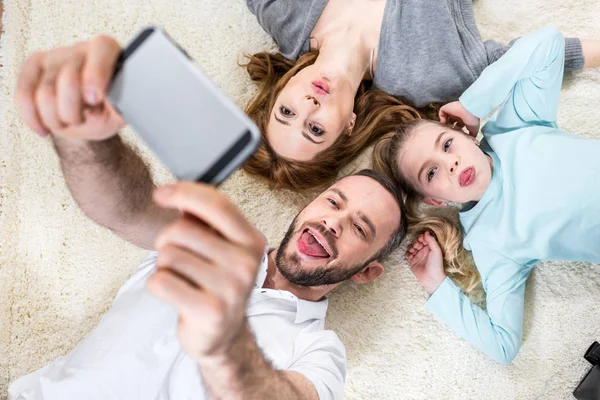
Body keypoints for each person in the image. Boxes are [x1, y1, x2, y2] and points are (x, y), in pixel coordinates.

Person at [10, 38, 408, 399]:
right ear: (307, 206)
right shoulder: (217, 233)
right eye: (334, 202)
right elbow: (126, 210)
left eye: (360, 227)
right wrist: (83, 136)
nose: (332, 223)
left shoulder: (320, 351)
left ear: (367, 272)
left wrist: (226, 343)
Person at [372, 27, 600, 365]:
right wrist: (436, 283)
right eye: (431, 173)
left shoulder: (516, 127)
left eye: (447, 145)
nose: (451, 164)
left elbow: (547, 44)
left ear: (463, 133)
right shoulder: (490, 241)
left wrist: (472, 104)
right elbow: (503, 344)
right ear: (434, 201)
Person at [242, 0, 600, 189]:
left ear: (280, 91)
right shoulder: (426, 76)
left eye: (286, 112)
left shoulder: (283, 16)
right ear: (348, 127)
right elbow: (532, 58)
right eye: (315, 129)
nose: (308, 106)